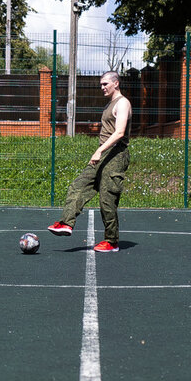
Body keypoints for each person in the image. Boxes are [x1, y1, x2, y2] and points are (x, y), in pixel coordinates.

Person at [47, 71, 132, 252]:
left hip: (116, 155)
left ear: (116, 83)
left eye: (105, 84)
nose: (102, 87)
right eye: (100, 84)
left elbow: (119, 132)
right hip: (104, 154)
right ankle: (66, 223)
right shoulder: (109, 104)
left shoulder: (123, 103)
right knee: (78, 186)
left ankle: (112, 241)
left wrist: (99, 150)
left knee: (107, 199)